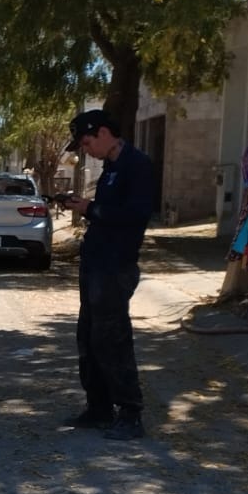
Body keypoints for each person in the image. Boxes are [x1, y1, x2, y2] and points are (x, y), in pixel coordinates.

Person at [59, 109, 155, 440]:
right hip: (96, 263)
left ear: (103, 133)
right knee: (89, 337)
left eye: (86, 142)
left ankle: (130, 412)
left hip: (116, 267)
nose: (86, 150)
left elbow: (135, 216)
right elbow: (109, 215)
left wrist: (91, 209)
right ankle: (99, 407)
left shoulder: (137, 166)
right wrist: (87, 210)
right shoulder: (111, 169)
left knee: (112, 340)